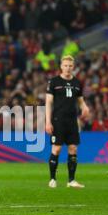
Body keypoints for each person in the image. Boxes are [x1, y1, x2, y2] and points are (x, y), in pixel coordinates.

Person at [45, 55, 89, 188]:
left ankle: (71, 180)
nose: (68, 68)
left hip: (72, 120)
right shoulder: (54, 82)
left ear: (73, 67)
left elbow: (80, 100)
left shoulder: (77, 83)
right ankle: (53, 179)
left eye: (70, 66)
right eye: (65, 65)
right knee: (57, 149)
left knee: (73, 148)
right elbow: (48, 102)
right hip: (58, 120)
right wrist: (48, 121)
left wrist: (84, 107)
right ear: (61, 66)